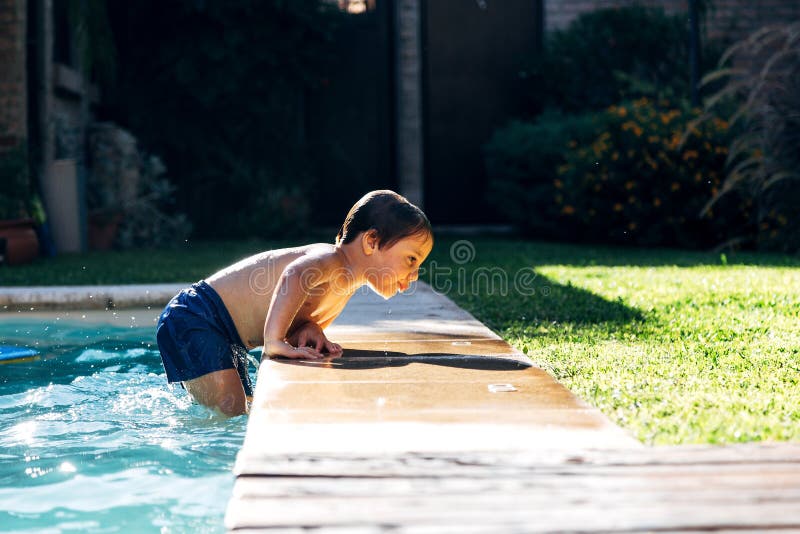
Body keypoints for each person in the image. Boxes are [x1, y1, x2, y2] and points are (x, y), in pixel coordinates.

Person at [156, 190, 433, 416]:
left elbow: (294, 305)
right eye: (411, 259)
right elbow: (293, 275)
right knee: (230, 410)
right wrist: (274, 340)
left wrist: (308, 328)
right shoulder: (332, 261)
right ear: (371, 241)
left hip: (223, 334)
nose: (414, 272)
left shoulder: (346, 282)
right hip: (197, 316)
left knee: (245, 409)